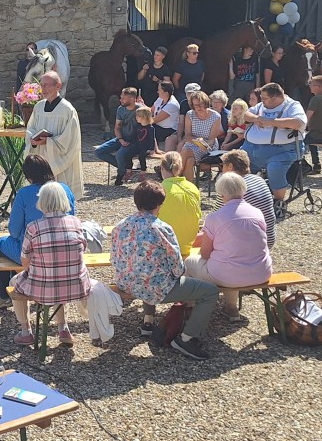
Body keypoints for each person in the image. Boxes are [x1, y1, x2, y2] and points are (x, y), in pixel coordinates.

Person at [111, 180, 218, 353]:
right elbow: (177, 267)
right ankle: (187, 338)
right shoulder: (162, 228)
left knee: (146, 269)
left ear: (136, 201)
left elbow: (115, 259)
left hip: (126, 282)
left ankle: (148, 321)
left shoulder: (120, 226)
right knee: (210, 291)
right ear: (160, 204)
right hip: (156, 288)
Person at [182, 172, 274, 344]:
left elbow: (205, 253)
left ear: (221, 193)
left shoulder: (215, 217)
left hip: (228, 274)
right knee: (233, 260)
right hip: (261, 271)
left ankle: (190, 307)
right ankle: (231, 309)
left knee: (189, 262)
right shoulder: (257, 213)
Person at [8, 182, 90, 348]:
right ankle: (63, 328)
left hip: (44, 288)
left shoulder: (34, 227)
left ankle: (26, 332)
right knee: (61, 276)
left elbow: (24, 262)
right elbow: (83, 249)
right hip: (76, 286)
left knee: (14, 284)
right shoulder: (76, 223)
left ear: (42, 202)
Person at [0, 154, 73, 308]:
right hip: (65, 252)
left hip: (35, 253)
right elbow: (72, 218)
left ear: (28, 175)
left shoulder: (24, 194)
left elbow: (14, 231)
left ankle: (3, 295)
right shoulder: (65, 189)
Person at [22, 71, 83, 199]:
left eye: (47, 85)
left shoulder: (67, 110)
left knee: (60, 199)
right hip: (41, 156)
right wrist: (33, 140)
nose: (43, 89)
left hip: (58, 160)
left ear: (58, 86)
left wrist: (48, 142)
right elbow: (31, 129)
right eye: (41, 85)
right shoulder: (38, 107)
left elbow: (71, 140)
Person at [242, 82, 308, 202]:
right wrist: (256, 119)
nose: (262, 101)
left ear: (275, 98)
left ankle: (278, 202)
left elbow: (299, 123)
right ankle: (240, 197)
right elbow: (246, 115)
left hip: (281, 151)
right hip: (251, 149)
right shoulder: (262, 105)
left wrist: (271, 122)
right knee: (237, 165)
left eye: (264, 98)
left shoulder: (292, 106)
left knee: (274, 169)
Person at [218, 150, 277, 249]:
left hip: (248, 245)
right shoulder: (259, 180)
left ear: (230, 166)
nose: (222, 170)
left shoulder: (230, 186)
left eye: (222, 166)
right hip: (268, 238)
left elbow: (217, 218)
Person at [156, 151, 202, 257]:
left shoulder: (159, 189)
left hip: (166, 247)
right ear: (180, 168)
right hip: (188, 244)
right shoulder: (192, 187)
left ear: (162, 168)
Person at [93, 87, 141, 168]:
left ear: (132, 99)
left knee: (120, 155)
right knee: (99, 151)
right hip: (121, 138)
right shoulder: (120, 109)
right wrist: (120, 139)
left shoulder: (140, 109)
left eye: (123, 98)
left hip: (134, 141)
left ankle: (123, 171)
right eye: (121, 98)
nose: (120, 100)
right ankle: (124, 167)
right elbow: (117, 127)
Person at [177, 88, 223, 169]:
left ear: (205, 103)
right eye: (195, 105)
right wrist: (197, 141)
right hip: (192, 143)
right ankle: (184, 180)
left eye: (200, 104)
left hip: (208, 146)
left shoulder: (216, 116)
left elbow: (212, 139)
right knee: (189, 161)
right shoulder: (190, 114)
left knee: (186, 152)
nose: (198, 108)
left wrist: (203, 144)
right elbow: (187, 136)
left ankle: (175, 175)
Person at [113, 107, 155, 186]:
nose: (136, 118)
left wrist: (152, 149)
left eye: (138, 116)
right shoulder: (137, 126)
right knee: (128, 155)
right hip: (137, 146)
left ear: (144, 117)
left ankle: (143, 172)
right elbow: (135, 136)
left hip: (145, 147)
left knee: (141, 156)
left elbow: (152, 139)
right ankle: (129, 170)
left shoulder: (150, 128)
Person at [151, 80, 180, 150]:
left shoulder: (172, 105)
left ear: (166, 93)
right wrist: (142, 106)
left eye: (159, 90)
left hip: (168, 129)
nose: (157, 92)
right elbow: (151, 110)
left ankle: (153, 150)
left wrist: (141, 120)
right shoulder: (160, 98)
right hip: (158, 126)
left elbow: (155, 120)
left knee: (147, 129)